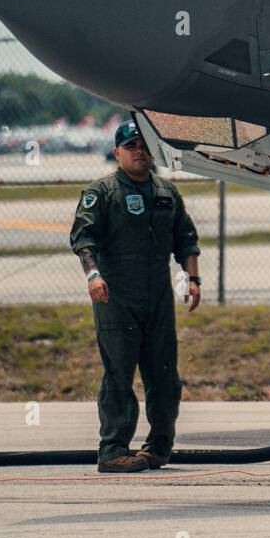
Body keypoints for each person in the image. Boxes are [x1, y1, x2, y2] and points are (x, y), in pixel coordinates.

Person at [70, 121, 201, 473]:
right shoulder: (103, 192)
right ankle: (113, 450)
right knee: (119, 374)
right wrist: (93, 275)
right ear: (117, 153)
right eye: (131, 146)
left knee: (164, 375)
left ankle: (158, 447)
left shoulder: (166, 191)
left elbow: (186, 239)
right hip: (117, 295)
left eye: (144, 145)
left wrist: (192, 279)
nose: (139, 151)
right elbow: (83, 238)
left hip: (157, 295)